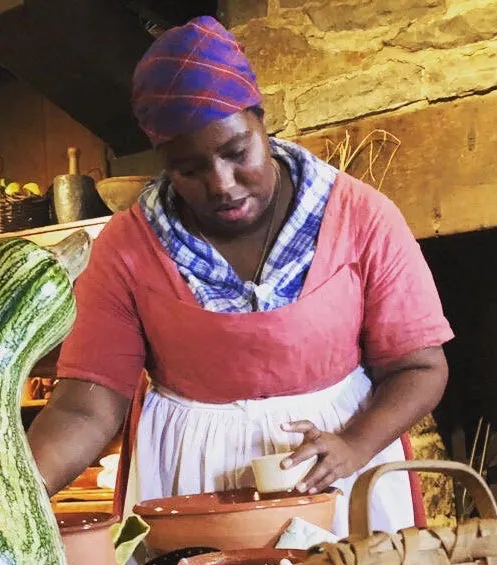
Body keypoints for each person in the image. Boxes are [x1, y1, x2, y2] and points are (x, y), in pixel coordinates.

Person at [27, 16, 454, 538]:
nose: (222, 185)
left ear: (262, 121)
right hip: (192, 483)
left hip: (341, 472)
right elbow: (84, 408)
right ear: (163, 161)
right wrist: (17, 496)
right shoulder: (127, 247)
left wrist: (354, 444)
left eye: (237, 153)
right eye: (190, 169)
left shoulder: (359, 215)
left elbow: (420, 367)